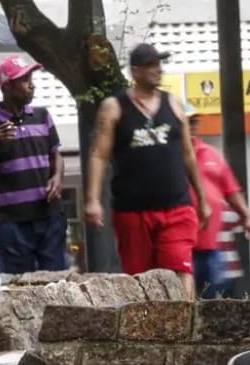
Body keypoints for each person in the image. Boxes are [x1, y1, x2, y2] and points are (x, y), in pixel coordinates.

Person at [83, 43, 209, 300]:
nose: (157, 70)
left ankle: (189, 331)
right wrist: (93, 200)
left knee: (180, 268)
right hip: (133, 210)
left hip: (176, 207)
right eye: (151, 65)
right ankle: (148, 336)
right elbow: (99, 154)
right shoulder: (115, 107)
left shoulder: (174, 104)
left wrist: (202, 199)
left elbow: (188, 155)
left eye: (159, 64)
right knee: (140, 279)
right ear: (135, 71)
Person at [0, 55, 65, 274]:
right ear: (7, 86)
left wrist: (57, 178)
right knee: (18, 285)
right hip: (13, 222)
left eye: (31, 78)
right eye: (24, 80)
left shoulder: (42, 116)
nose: (31, 84)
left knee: (56, 283)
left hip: (49, 216)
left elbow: (56, 155)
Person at [185, 104, 250, 298]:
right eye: (187, 122)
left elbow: (232, 190)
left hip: (212, 245)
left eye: (194, 122)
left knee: (217, 299)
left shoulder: (211, 154)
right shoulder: (172, 156)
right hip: (183, 246)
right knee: (185, 300)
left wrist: (247, 216)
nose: (191, 126)